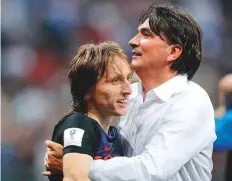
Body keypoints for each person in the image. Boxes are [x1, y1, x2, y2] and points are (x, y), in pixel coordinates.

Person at [43, 4, 216, 181]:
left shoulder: (190, 101)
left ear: (173, 51)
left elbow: (152, 170)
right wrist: (73, 152)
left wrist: (77, 165)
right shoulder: (127, 95)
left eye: (146, 35)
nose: (132, 41)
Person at [45, 41, 132, 181]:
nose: (128, 90)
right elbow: (74, 178)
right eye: (115, 81)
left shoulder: (116, 136)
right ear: (87, 90)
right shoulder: (79, 124)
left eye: (127, 79)